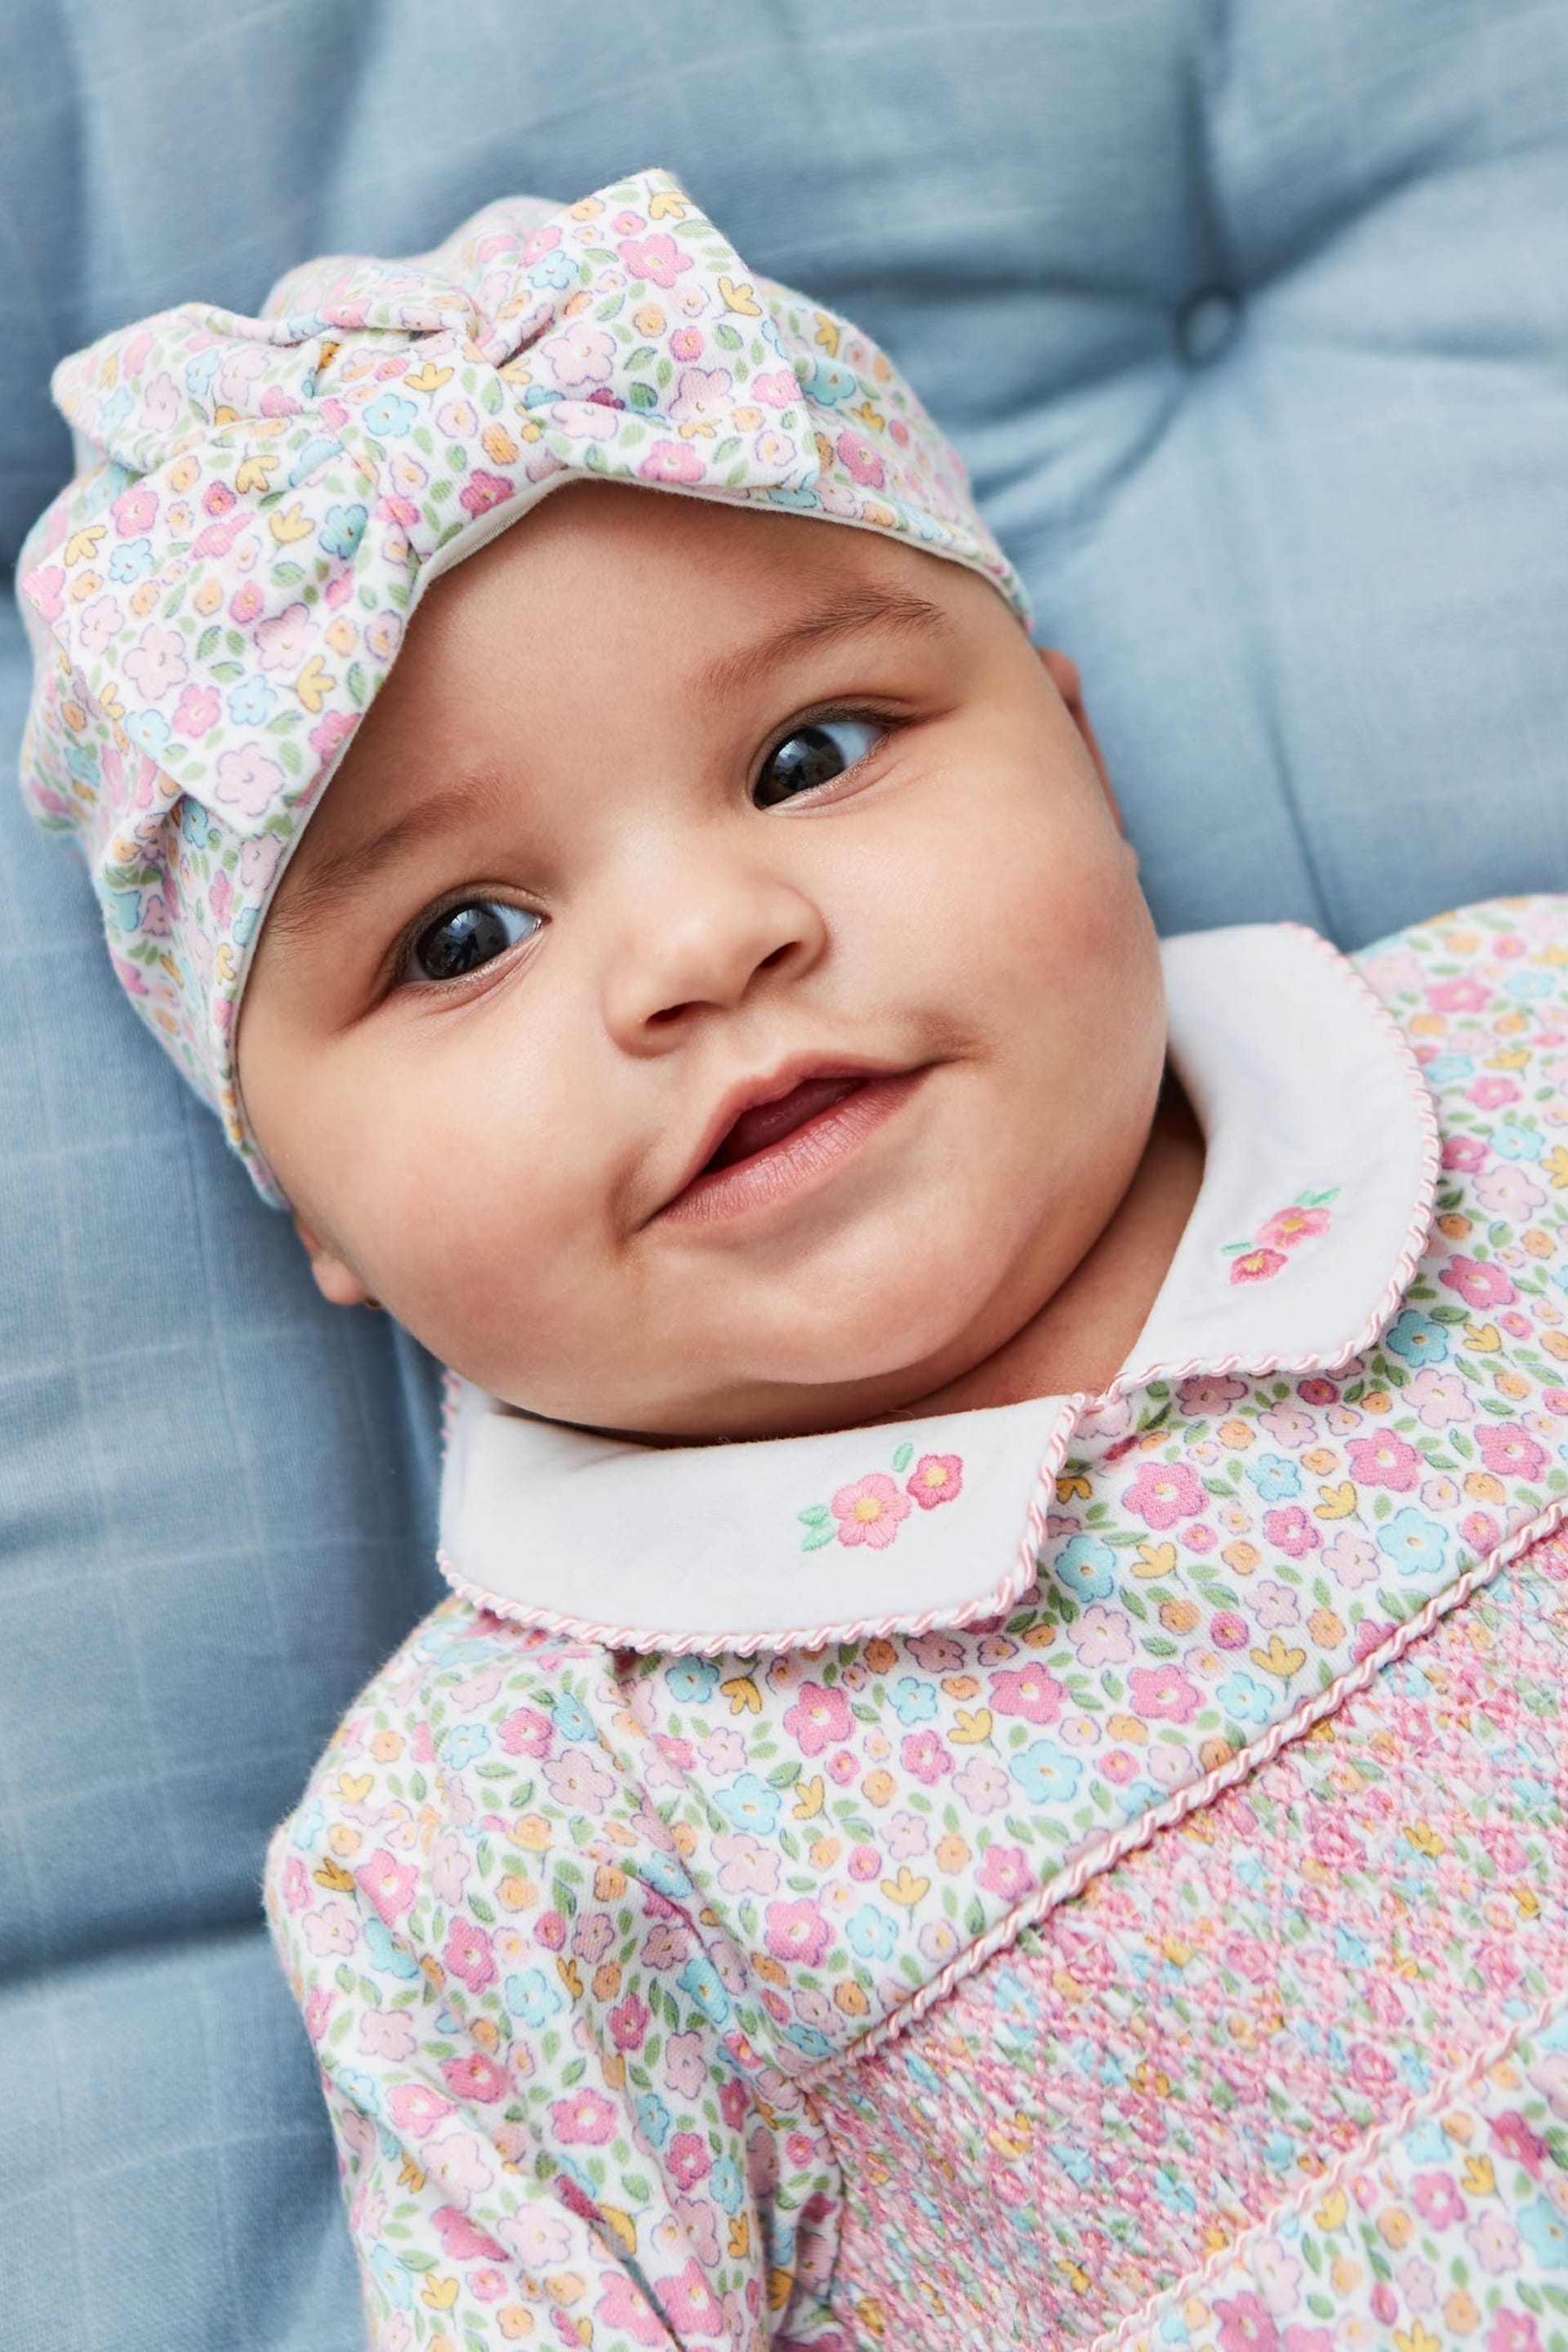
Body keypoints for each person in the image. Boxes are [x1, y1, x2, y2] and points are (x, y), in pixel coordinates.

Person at [17, 166, 1568, 2352]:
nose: (703, 943)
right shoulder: (509, 1835)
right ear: (317, 1214)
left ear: (1087, 762)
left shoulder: (1523, 1066)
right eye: (463, 938)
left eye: (807, 758)